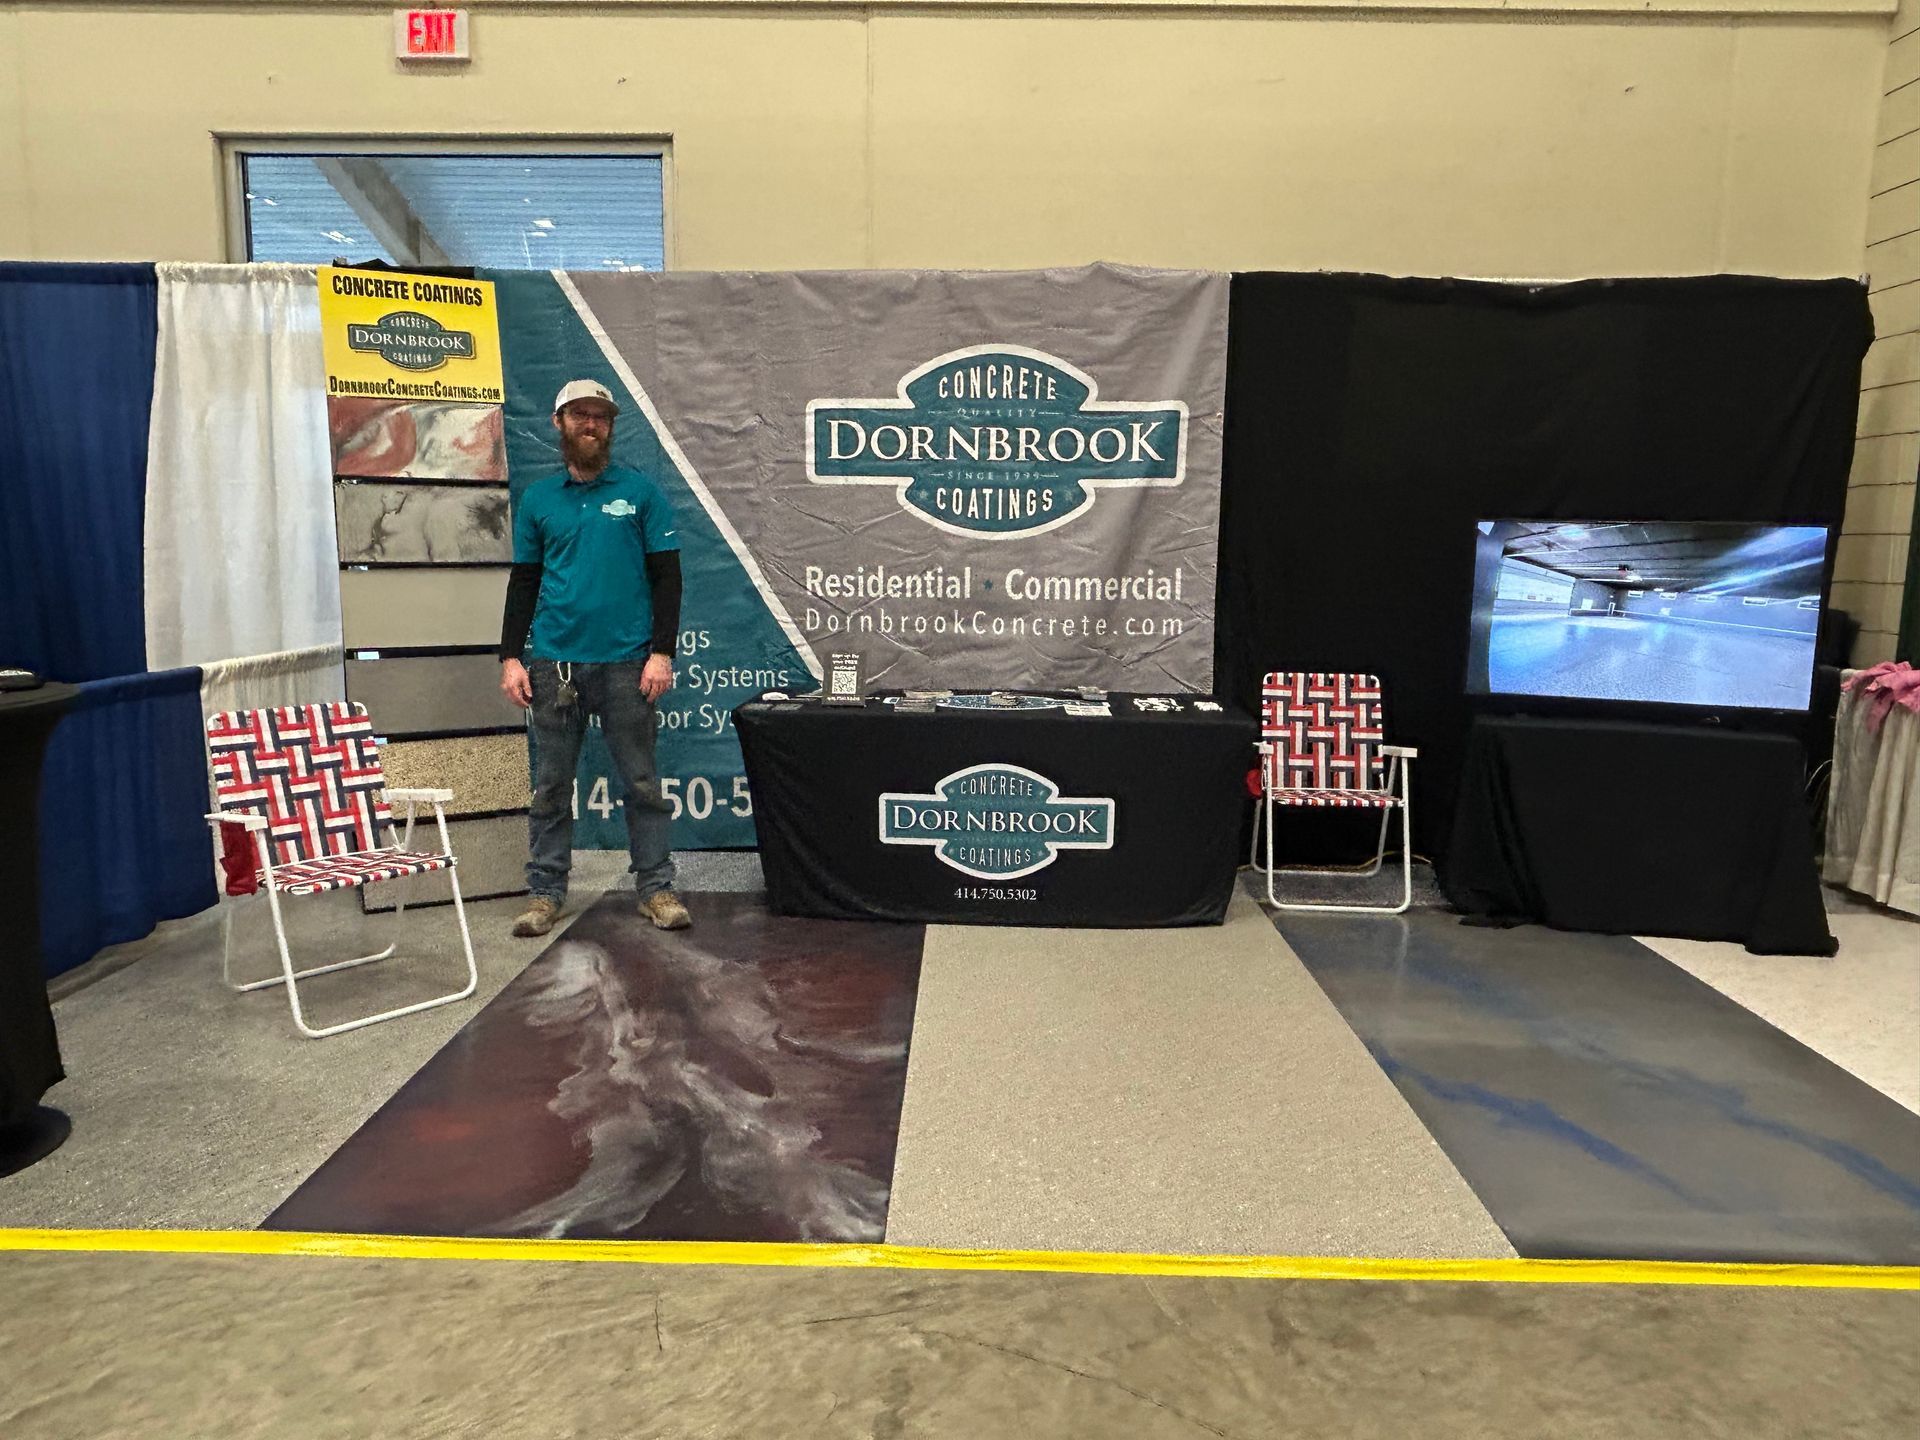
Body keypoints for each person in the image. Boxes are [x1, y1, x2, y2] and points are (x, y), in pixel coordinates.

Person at [499, 379, 691, 936]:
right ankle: (545, 893)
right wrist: (512, 657)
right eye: (579, 415)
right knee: (552, 785)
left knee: (642, 783)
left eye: (600, 417)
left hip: (629, 666)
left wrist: (661, 653)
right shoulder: (539, 501)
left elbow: (667, 577)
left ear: (610, 426)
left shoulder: (641, 493)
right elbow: (525, 582)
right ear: (558, 423)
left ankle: (656, 889)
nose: (591, 424)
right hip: (553, 665)